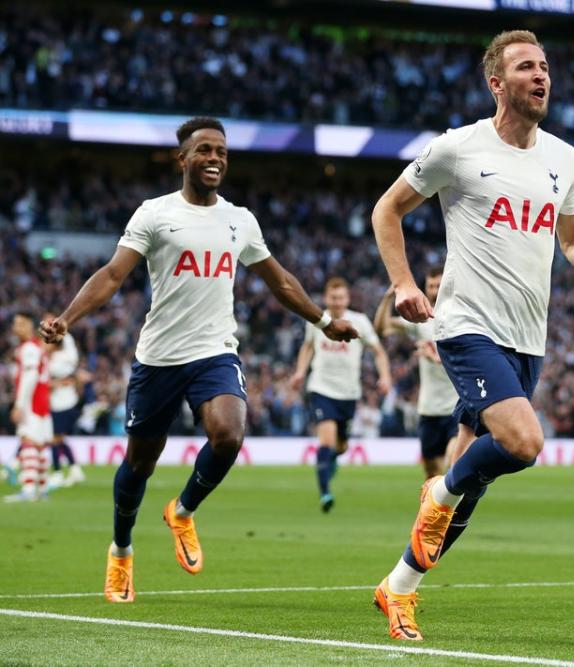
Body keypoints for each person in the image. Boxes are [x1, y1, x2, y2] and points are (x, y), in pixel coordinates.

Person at [369, 29, 574, 640]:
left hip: (526, 338)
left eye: (544, 66)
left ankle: (398, 587)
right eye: (525, 67)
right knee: (522, 442)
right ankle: (438, 488)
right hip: (465, 326)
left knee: (474, 485)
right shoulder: (457, 149)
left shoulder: (564, 159)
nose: (541, 76)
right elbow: (387, 210)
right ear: (497, 83)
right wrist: (406, 283)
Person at [39, 116, 358, 603]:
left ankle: (182, 511)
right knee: (139, 464)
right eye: (205, 150)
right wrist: (67, 319)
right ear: (183, 158)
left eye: (222, 153)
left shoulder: (240, 219)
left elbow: (280, 281)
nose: (215, 159)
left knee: (229, 434)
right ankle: (121, 550)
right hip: (158, 359)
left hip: (214, 352)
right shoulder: (154, 214)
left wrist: (322, 322)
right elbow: (111, 275)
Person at [290, 276, 391, 513]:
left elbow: (378, 351)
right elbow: (308, 346)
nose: (337, 302)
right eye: (333, 297)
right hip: (321, 388)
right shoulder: (317, 320)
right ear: (326, 298)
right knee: (326, 440)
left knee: (341, 446)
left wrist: (385, 376)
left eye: (341, 297)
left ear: (347, 299)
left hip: (349, 392)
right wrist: (300, 372)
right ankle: (325, 492)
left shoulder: (359, 321)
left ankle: (331, 460)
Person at [373, 266, 460, 479]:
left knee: (453, 460)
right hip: (429, 408)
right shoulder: (424, 320)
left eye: (439, 285)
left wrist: (435, 358)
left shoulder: (461, 319)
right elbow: (382, 328)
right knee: (431, 473)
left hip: (456, 408)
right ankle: (440, 510)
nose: (434, 290)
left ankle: (456, 507)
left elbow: (465, 359)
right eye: (431, 286)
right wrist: (387, 299)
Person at [5, 312, 52, 503]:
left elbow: (30, 377)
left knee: (28, 442)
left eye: (20, 323)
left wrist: (19, 405)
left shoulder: (29, 349)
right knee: (39, 445)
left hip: (32, 403)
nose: (16, 327)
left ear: (29, 326)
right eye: (15, 323)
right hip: (42, 403)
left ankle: (28, 488)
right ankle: (42, 488)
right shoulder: (34, 347)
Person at [43, 312, 85, 488]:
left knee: (55, 438)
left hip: (64, 400)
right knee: (58, 437)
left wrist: (55, 382)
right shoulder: (57, 355)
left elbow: (62, 338)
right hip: (57, 399)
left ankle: (58, 472)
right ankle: (75, 470)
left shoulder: (65, 353)